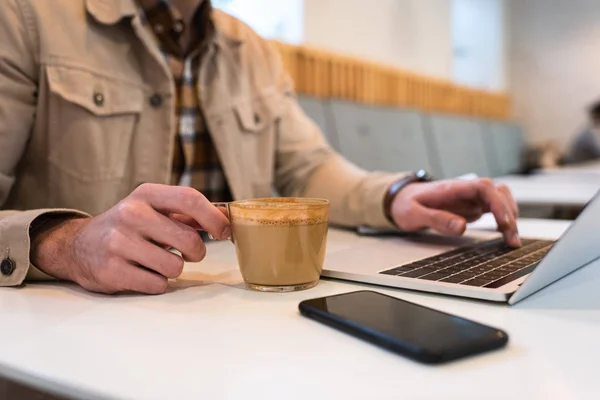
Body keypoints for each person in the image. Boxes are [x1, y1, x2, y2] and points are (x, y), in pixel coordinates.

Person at [0, 0, 520, 295]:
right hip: (82, 329)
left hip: (232, 311)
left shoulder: (252, 48)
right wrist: (65, 243)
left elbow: (309, 167)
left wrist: (397, 196)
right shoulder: (24, 19)